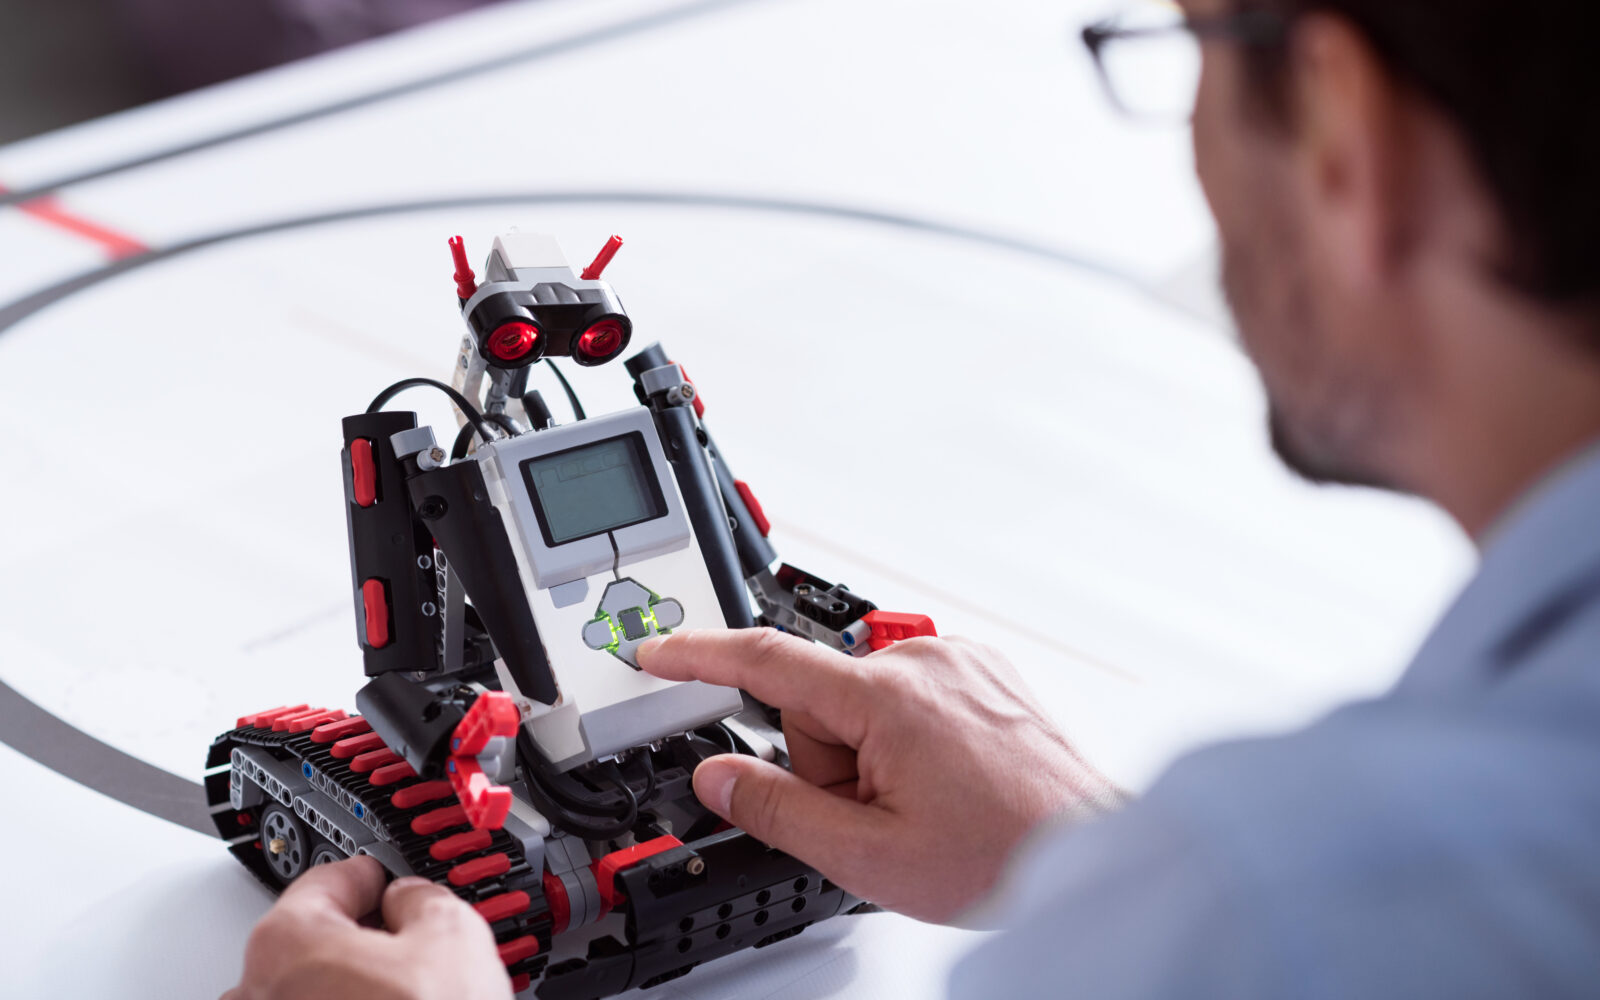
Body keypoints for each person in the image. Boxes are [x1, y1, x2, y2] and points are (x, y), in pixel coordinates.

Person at [222, 0, 1600, 996]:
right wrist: (1085, 850)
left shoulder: (1263, 912)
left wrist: (1151, 891)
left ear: (1342, 125)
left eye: (1188, 44)